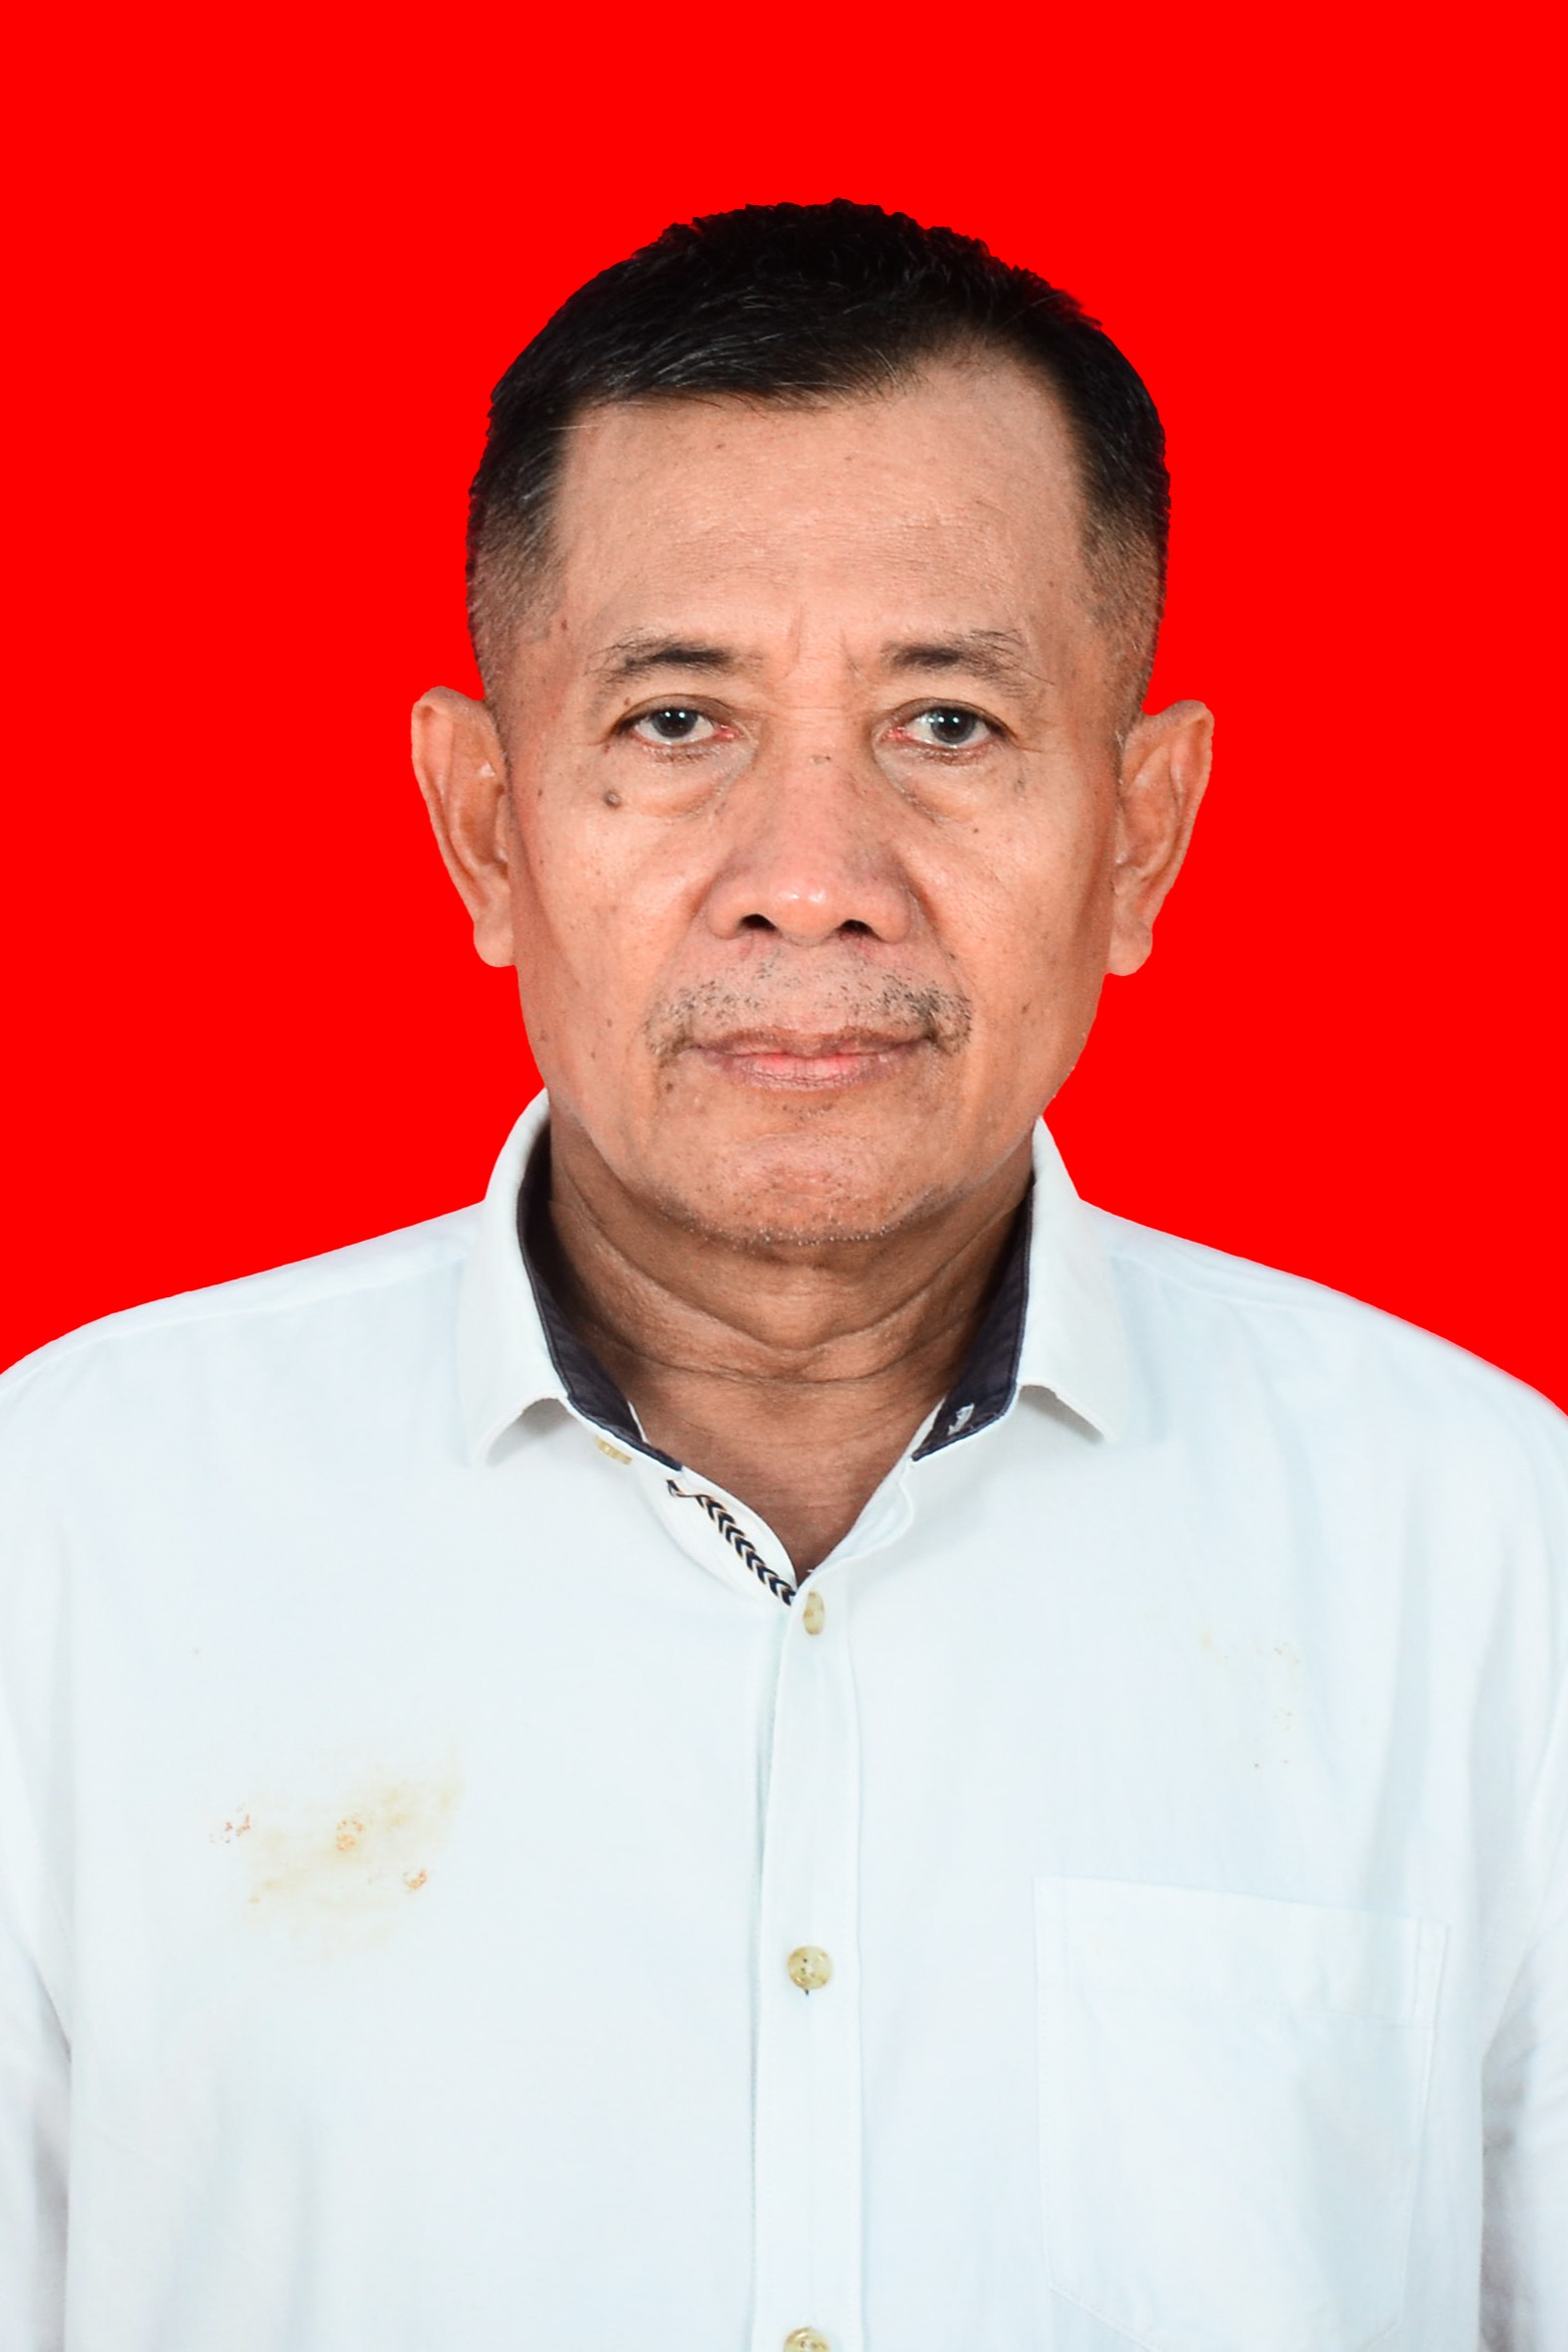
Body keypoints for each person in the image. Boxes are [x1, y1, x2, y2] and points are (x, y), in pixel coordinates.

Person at [0, 200, 1563, 2352]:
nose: (809, 882)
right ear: (484, 825)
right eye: (674, 721)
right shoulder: (67, 1541)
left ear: (1139, 833)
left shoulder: (1487, 1560)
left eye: (947, 723)